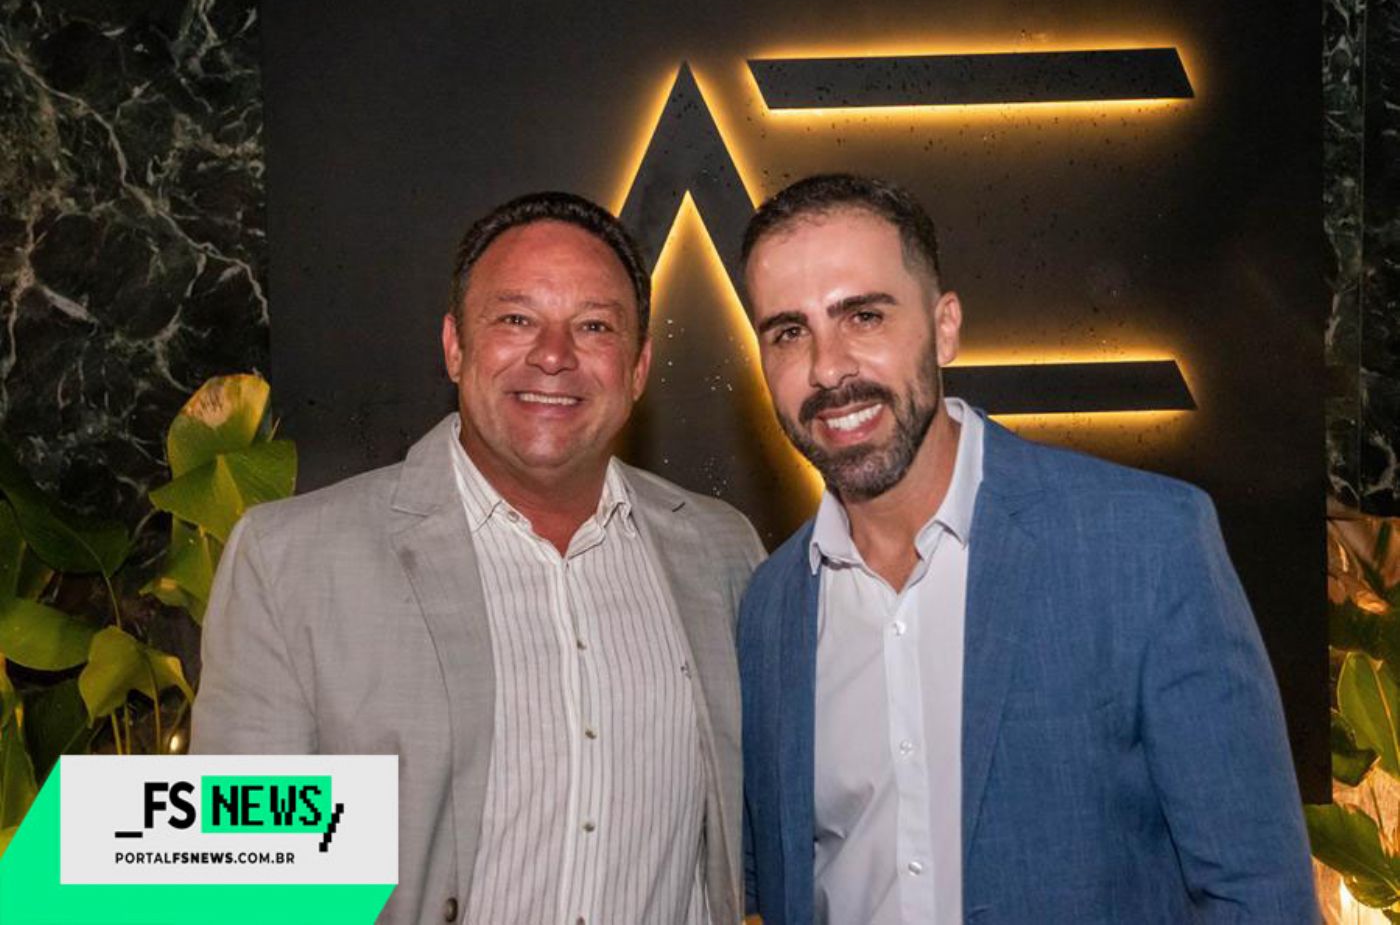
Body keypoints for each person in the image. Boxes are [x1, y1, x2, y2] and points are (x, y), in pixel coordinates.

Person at [736, 173, 1318, 924]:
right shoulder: (770, 608)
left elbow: (1259, 893)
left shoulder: (1145, 545)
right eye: (789, 332)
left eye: (865, 316)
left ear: (945, 327)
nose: (828, 367)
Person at [192, 192, 764, 925]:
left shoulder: (722, 553)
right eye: (516, 319)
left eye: (594, 325)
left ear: (638, 367)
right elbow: (245, 886)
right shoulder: (291, 562)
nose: (553, 354)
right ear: (455, 347)